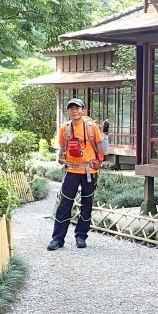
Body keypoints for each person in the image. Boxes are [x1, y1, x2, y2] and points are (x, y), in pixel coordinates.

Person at [47, 98, 104, 250]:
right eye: (72, 108)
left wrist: (100, 162)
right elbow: (61, 148)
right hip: (71, 170)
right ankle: (57, 240)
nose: (75, 111)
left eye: (78, 108)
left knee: (86, 204)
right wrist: (60, 158)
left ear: (83, 110)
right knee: (64, 204)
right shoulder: (64, 128)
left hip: (89, 170)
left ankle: (81, 236)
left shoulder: (92, 127)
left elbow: (101, 147)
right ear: (68, 111)